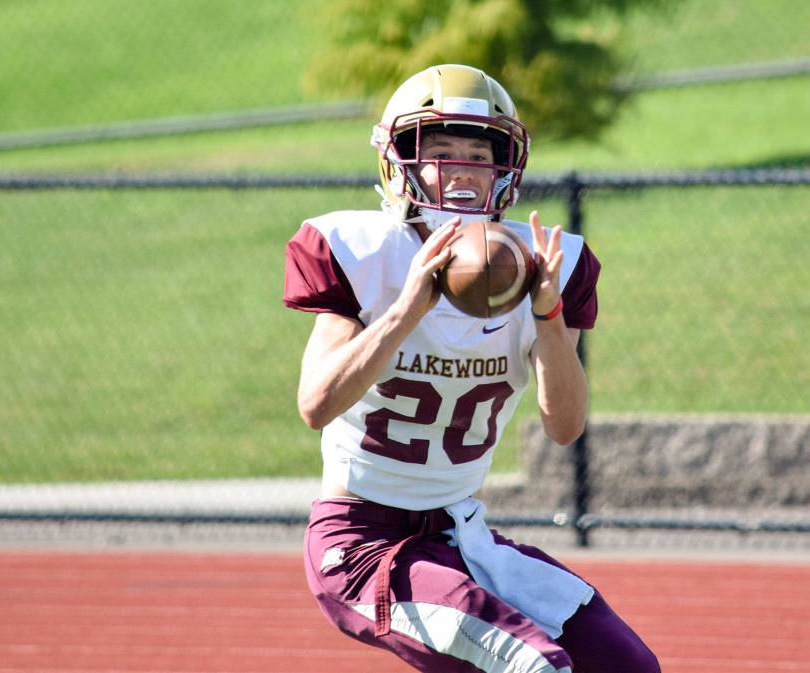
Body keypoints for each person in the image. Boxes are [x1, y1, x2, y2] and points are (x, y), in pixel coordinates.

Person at [283, 64, 660, 673]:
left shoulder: (545, 264)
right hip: (362, 543)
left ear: (506, 165)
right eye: (441, 150)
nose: (461, 168)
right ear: (399, 159)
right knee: (537, 668)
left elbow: (565, 426)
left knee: (626, 667)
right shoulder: (363, 251)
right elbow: (316, 404)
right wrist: (408, 308)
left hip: (463, 537)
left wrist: (547, 315)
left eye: (478, 152)